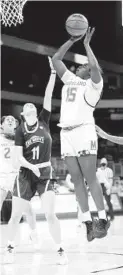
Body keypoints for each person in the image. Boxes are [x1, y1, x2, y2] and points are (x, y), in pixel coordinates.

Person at [4, 57, 68, 265]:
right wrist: (31, 166)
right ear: (23, 114)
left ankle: (60, 250)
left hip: (45, 173)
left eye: (32, 105)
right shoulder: (21, 131)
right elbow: (17, 158)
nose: (30, 105)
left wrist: (52, 73)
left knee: (50, 213)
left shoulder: (44, 121)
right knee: (15, 216)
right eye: (26, 106)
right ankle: (10, 246)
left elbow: (48, 95)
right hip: (26, 174)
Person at [52, 27, 110, 242]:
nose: (82, 66)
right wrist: (71, 39)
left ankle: (102, 219)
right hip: (66, 132)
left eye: (85, 66)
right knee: (76, 180)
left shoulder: (94, 85)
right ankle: (87, 221)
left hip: (84, 131)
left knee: (90, 177)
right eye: (82, 65)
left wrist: (86, 45)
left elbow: (94, 66)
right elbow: (57, 59)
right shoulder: (69, 80)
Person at [0, 116, 18, 212]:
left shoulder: (20, 138)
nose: (10, 121)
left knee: (24, 206)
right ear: (1, 125)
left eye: (13, 120)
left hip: (16, 176)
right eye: (8, 120)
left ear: (15, 125)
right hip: (2, 175)